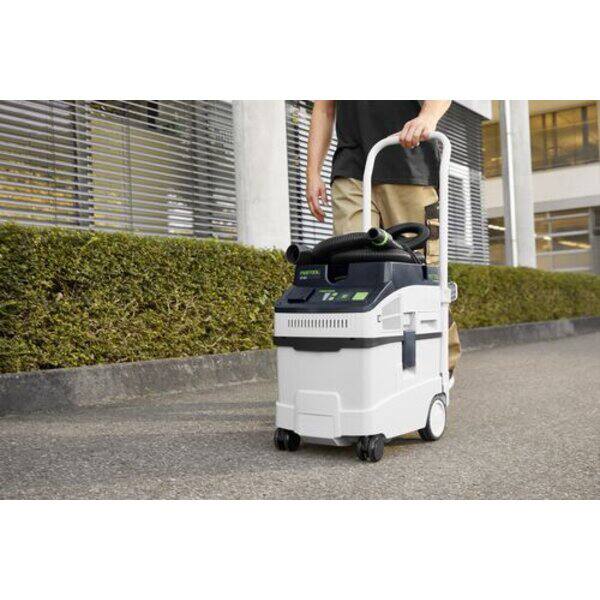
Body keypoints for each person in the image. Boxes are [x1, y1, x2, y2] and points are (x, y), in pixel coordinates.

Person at [305, 100, 461, 373]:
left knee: (420, 276)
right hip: (351, 169)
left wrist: (428, 116)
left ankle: (439, 370)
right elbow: (324, 107)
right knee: (353, 275)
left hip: (408, 164)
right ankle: (368, 371)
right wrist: (313, 172)